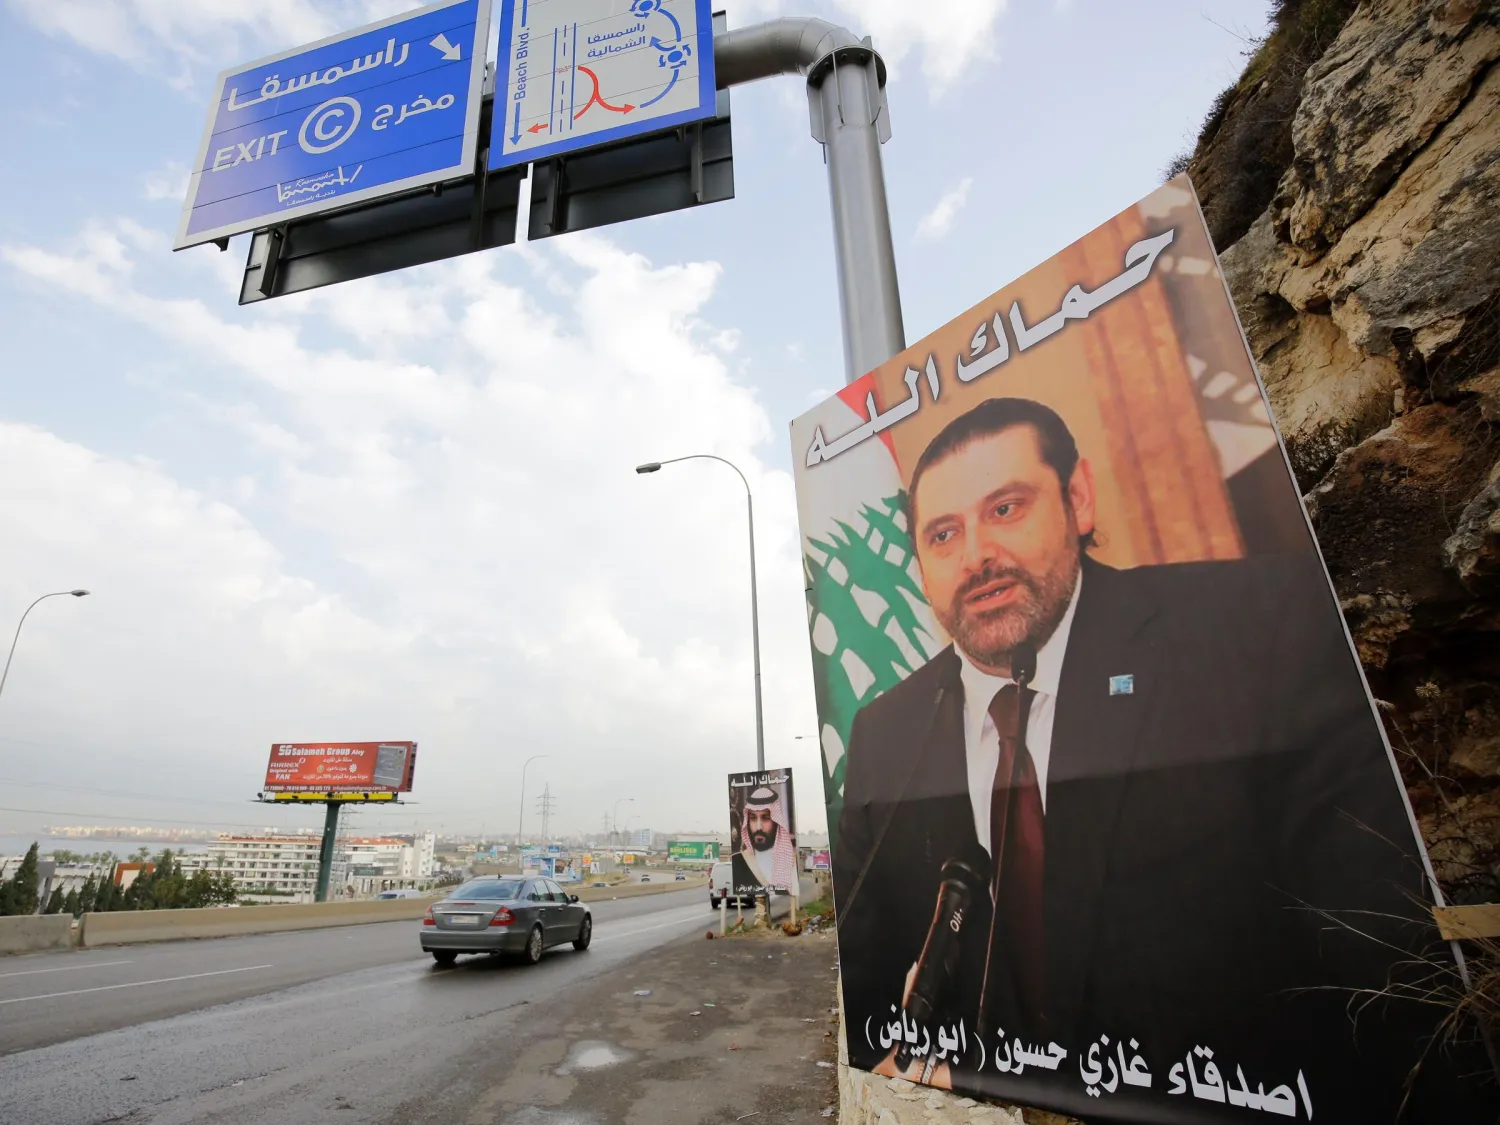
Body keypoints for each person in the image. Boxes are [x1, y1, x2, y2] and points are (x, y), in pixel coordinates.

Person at [833, 397, 1451, 1116]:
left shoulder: (1254, 632)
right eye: (943, 534)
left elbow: (1387, 974)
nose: (976, 556)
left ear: (1079, 498)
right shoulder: (884, 731)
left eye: (1005, 508)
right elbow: (867, 966)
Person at [732, 785, 797, 894]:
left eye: (765, 818)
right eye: (753, 818)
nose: (758, 827)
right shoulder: (738, 861)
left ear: (776, 822)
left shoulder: (792, 861)